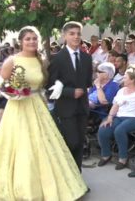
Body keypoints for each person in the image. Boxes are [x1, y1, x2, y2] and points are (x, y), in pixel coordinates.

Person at [0, 26, 87, 201]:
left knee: (45, 146)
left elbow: (45, 84)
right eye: (28, 39)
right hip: (17, 109)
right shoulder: (12, 60)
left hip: (38, 106)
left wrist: (60, 88)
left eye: (34, 38)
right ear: (21, 41)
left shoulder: (41, 61)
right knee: (20, 147)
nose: (31, 42)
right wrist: (12, 92)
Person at [47, 21, 93, 170]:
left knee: (80, 143)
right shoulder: (57, 58)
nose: (76, 37)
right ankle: (66, 175)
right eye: (72, 34)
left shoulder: (87, 58)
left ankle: (77, 179)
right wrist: (70, 92)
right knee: (71, 142)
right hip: (66, 108)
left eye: (78, 34)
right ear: (64, 36)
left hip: (82, 107)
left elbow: (87, 82)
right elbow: (49, 88)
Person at [97, 65, 135, 169]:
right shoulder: (121, 91)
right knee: (104, 128)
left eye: (125, 77)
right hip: (120, 117)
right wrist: (110, 117)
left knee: (119, 130)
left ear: (132, 80)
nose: (123, 79)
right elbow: (115, 105)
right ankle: (106, 155)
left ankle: (123, 158)